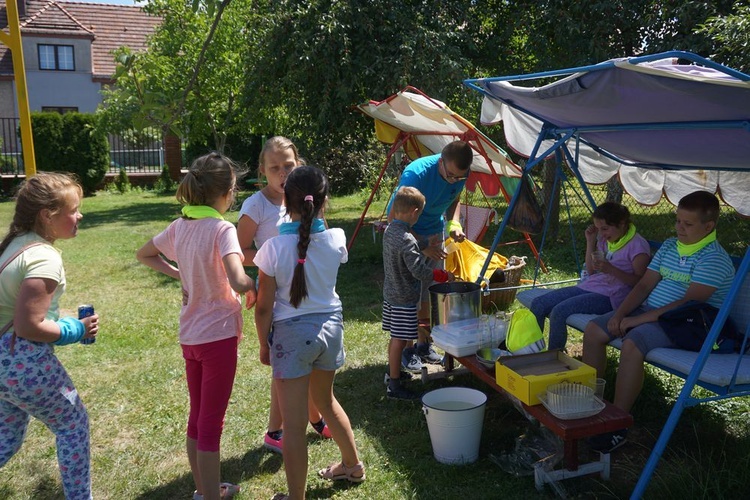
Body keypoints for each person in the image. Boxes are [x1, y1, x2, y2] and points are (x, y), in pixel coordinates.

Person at [136, 152, 256, 500]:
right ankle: (208, 495)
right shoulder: (222, 229)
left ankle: (205, 489)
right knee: (210, 424)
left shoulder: (180, 225)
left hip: (190, 338)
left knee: (197, 416)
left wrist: (179, 273)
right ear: (227, 192)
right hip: (218, 338)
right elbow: (237, 278)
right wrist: (254, 285)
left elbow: (144, 254)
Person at [582, 191, 735, 453]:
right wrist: (620, 315)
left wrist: (634, 321)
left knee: (632, 344)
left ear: (709, 226)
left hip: (685, 323)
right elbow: (643, 286)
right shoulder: (669, 246)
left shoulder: (713, 258)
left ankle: (617, 423)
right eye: (677, 221)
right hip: (649, 311)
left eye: (687, 224)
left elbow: (686, 305)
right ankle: (591, 403)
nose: (679, 228)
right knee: (594, 330)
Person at [254, 166, 364, 500]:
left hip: (291, 338)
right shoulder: (336, 239)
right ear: (324, 202)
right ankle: (352, 465)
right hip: (330, 330)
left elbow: (262, 308)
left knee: (294, 424)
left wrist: (263, 345)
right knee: (327, 402)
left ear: (285, 200)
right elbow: (319, 243)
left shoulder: (272, 249)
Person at [0, 172, 99, 500]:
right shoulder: (45, 257)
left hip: (3, 366)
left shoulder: (17, 243)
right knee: (73, 424)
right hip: (23, 363)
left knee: (7, 437)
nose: (79, 216)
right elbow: (29, 326)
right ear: (47, 215)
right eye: (73, 210)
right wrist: (75, 329)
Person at [236, 137, 331, 456]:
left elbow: (321, 236)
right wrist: (272, 255)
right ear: (262, 171)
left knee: (306, 365)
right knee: (286, 370)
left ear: (298, 163)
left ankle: (314, 415)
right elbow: (236, 251)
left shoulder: (306, 195)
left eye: (288, 166)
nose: (282, 173)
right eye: (274, 167)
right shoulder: (256, 206)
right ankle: (276, 430)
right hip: (278, 303)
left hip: (311, 299)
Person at [386, 140, 473, 372]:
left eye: (459, 177)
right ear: (441, 162)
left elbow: (455, 199)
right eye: (451, 174)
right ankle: (408, 349)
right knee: (409, 294)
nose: (455, 180)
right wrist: (420, 246)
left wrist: (454, 223)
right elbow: (394, 217)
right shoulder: (416, 174)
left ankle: (424, 344)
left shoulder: (461, 173)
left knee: (428, 291)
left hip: (434, 233)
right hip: (408, 234)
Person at [529, 202, 651, 350]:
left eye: (605, 228)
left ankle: (554, 357)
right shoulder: (608, 240)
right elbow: (592, 271)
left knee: (559, 311)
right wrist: (591, 241)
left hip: (612, 296)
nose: (602, 234)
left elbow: (641, 283)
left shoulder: (637, 245)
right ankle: (530, 352)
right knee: (538, 304)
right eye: (599, 229)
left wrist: (611, 269)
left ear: (622, 223)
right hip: (592, 286)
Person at [382, 186, 455, 400]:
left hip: (391, 294)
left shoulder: (390, 231)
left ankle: (392, 374)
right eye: (420, 214)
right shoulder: (407, 239)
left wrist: (425, 243)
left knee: (394, 337)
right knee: (399, 339)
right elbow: (419, 270)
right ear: (414, 213)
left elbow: (408, 247)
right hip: (404, 297)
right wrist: (441, 275)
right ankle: (394, 386)